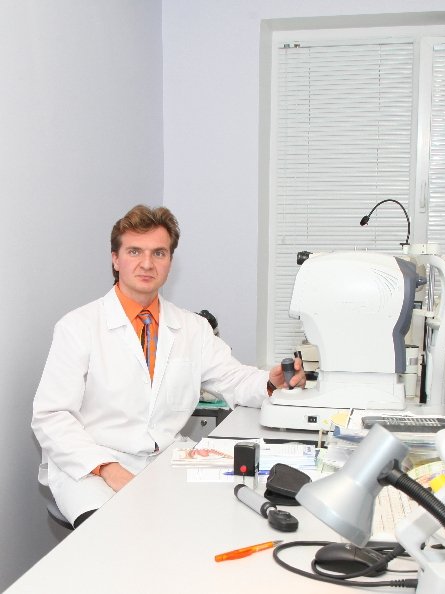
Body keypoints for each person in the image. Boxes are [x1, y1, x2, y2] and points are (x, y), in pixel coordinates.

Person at [31, 205, 304, 528]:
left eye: (159, 253)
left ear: (170, 261)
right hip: (91, 467)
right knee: (114, 536)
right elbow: (51, 416)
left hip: (163, 460)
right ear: (115, 259)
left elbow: (232, 378)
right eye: (134, 251)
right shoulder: (79, 326)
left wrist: (270, 382)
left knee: (215, 523)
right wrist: (107, 468)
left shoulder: (192, 327)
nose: (147, 263)